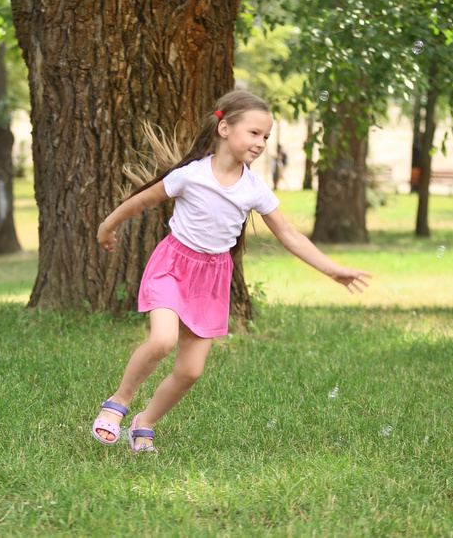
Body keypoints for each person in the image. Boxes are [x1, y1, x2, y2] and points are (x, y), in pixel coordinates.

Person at [91, 91, 371, 452]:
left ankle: (144, 422)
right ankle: (118, 402)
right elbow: (143, 199)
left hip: (211, 279)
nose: (261, 143)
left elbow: (289, 235)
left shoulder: (254, 188)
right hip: (173, 266)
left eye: (266, 137)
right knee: (162, 340)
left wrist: (332, 270)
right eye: (254, 133)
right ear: (224, 128)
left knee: (191, 371)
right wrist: (107, 227)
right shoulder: (191, 175)